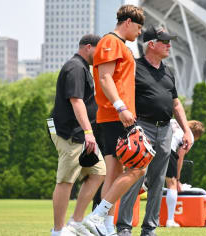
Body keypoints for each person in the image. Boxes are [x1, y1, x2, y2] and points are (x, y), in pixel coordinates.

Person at [116, 25, 192, 236]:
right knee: (136, 176)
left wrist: (187, 131)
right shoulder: (134, 67)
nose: (169, 45)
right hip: (142, 127)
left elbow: (176, 104)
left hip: (165, 129)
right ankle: (123, 227)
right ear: (151, 44)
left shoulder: (168, 72)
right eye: (165, 41)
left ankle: (149, 228)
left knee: (158, 181)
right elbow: (121, 94)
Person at [81, 5, 145, 236]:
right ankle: (97, 216)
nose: (139, 33)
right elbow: (105, 77)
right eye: (138, 27)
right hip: (115, 115)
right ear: (127, 22)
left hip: (115, 115)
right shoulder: (111, 42)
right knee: (139, 167)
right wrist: (121, 107)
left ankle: (106, 227)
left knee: (115, 173)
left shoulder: (121, 45)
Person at [48, 34, 106, 236]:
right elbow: (76, 101)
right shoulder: (75, 67)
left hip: (81, 133)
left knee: (99, 172)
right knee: (66, 180)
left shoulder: (84, 68)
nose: (100, 56)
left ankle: (76, 222)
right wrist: (89, 132)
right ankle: (58, 231)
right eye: (98, 51)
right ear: (88, 47)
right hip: (69, 132)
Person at [164, 119, 205, 227]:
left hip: (153, 146)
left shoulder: (174, 121)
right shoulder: (189, 136)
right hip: (169, 151)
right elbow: (180, 156)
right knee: (172, 184)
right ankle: (170, 220)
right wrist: (177, 179)